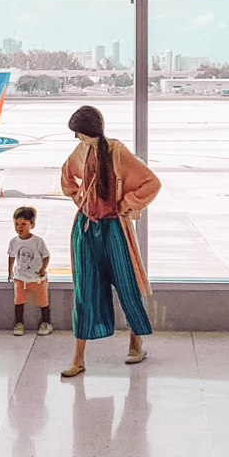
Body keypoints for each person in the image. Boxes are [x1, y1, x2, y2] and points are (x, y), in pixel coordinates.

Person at [59, 105, 160, 379]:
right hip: (86, 229)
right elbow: (67, 175)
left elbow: (151, 182)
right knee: (84, 291)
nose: (77, 138)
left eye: (79, 133)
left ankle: (136, 341)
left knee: (127, 286)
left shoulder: (118, 152)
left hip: (114, 229)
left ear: (89, 131)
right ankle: (78, 358)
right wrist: (77, 197)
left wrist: (125, 204)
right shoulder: (83, 151)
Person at [8, 205, 51, 338]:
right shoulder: (14, 241)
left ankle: (46, 322)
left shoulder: (38, 241)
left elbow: (46, 256)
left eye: (23, 224)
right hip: (20, 277)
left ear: (32, 224)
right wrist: (10, 271)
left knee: (43, 301)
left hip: (37, 278)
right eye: (16, 224)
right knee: (18, 301)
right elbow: (11, 256)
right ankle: (19, 323)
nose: (19, 227)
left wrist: (43, 269)